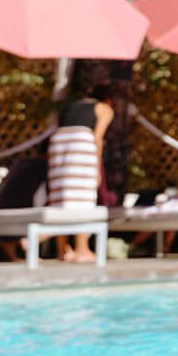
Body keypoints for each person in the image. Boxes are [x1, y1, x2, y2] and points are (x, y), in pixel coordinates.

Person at [45, 63, 114, 263]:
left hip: (59, 144)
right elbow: (98, 137)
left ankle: (62, 250)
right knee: (83, 196)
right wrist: (97, 168)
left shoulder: (69, 107)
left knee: (61, 196)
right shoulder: (103, 108)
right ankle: (82, 249)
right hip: (81, 145)